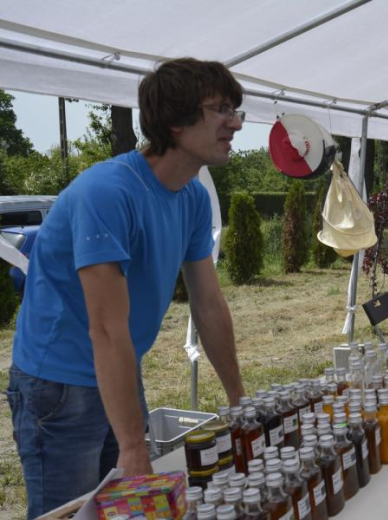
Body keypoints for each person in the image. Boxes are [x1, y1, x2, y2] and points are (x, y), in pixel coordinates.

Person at [6, 58, 248, 518]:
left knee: (125, 508)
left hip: (118, 369)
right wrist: (133, 446)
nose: (235, 123)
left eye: (235, 110)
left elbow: (209, 303)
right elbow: (106, 327)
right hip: (58, 383)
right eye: (221, 109)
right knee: (71, 512)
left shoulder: (192, 196)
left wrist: (240, 400)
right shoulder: (108, 192)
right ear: (176, 121)